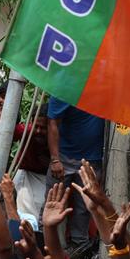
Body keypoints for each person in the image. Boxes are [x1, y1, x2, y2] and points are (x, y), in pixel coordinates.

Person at [46, 96, 105, 250]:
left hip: (92, 159)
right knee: (55, 201)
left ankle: (79, 248)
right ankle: (53, 248)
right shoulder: (64, 88)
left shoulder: (107, 88)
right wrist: (55, 159)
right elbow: (53, 122)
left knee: (85, 207)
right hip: (64, 157)